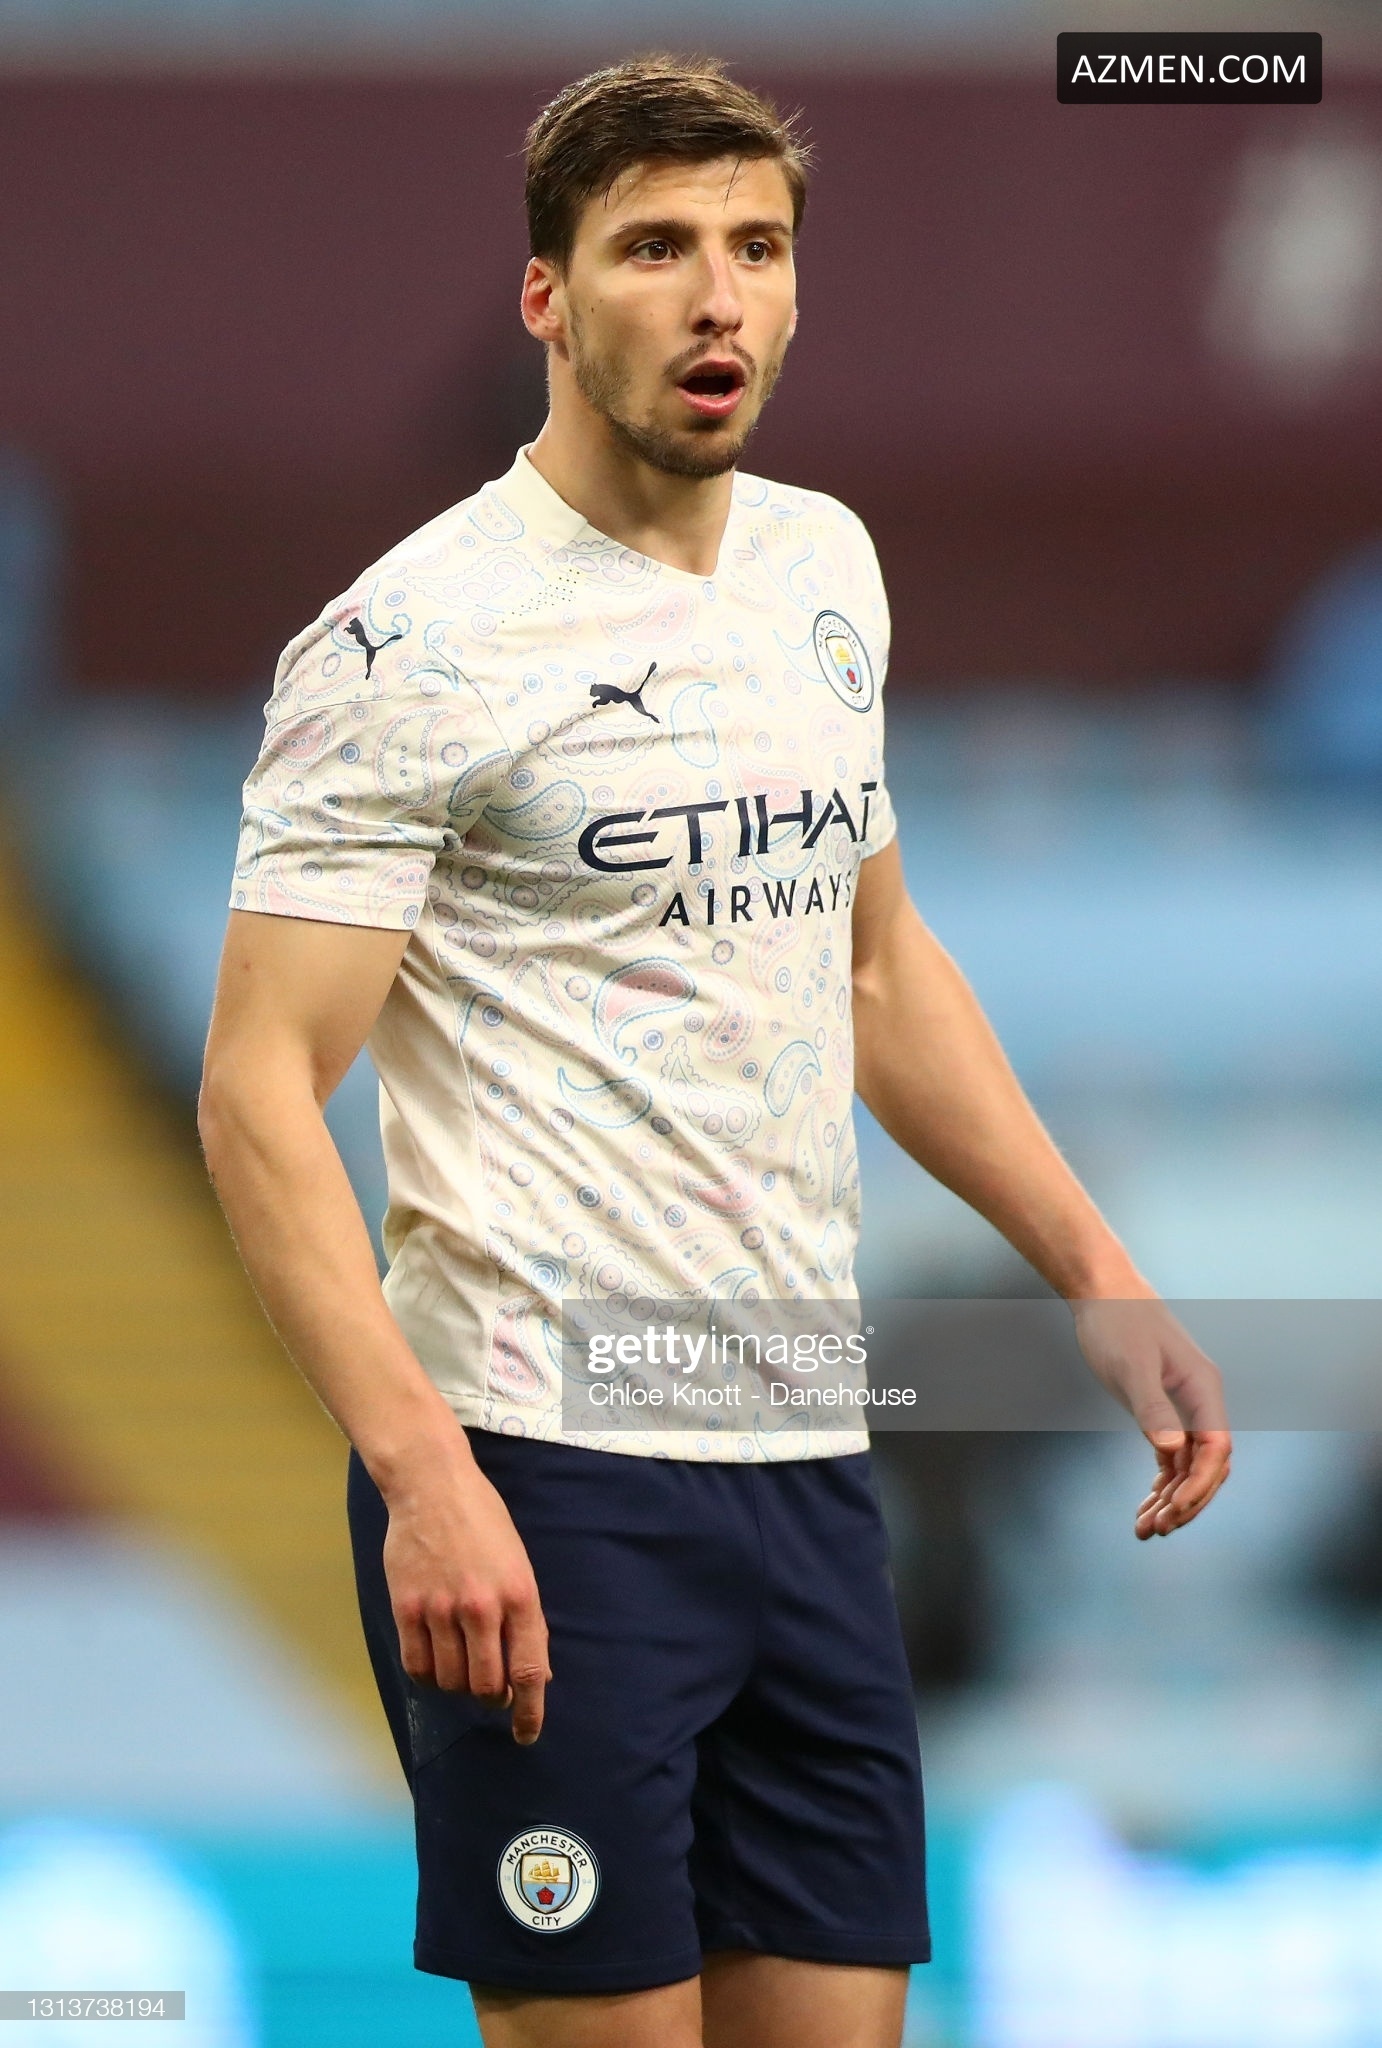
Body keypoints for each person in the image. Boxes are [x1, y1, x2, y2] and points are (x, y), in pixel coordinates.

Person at [198, 56, 1231, 2048]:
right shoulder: (407, 644)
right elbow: (257, 1094)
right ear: (546, 296)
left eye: (755, 247)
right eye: (654, 247)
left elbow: (879, 971)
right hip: (545, 1469)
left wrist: (1095, 1273)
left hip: (803, 1459)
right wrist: (421, 1469)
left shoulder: (822, 569)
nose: (715, 296)